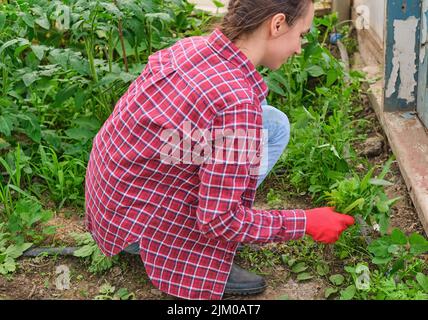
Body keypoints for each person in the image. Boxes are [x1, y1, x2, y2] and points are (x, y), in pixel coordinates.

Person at [85, 0, 355, 300]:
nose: (299, 48)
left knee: (273, 123)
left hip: (113, 208)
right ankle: (192, 256)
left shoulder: (193, 48)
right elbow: (218, 220)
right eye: (301, 35)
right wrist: (306, 222)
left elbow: (179, 140)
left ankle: (206, 229)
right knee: (224, 202)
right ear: (277, 25)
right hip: (139, 229)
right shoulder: (236, 102)